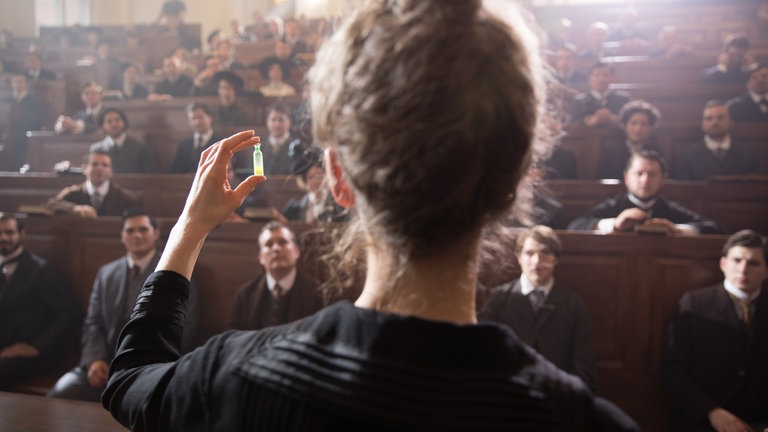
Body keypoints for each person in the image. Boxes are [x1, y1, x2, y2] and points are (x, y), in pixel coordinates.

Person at [103, 2, 638, 430]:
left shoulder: (233, 375)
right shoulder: (581, 419)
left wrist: (190, 227)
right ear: (519, 179)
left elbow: (130, 379)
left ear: (337, 176)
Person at [48, 209, 199, 401]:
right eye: (130, 231)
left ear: (156, 234)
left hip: (151, 367)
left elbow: (188, 329)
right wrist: (95, 360)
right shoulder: (106, 273)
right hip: (105, 364)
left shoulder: (178, 272)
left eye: (143, 230)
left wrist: (145, 366)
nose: (136, 235)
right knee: (59, 394)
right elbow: (93, 323)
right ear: (122, 236)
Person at [662, 229, 768, 431]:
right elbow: (673, 370)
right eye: (736, 260)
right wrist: (711, 412)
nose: (743, 269)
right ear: (723, 264)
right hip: (706, 419)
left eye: (753, 263)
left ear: (766, 270)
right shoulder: (693, 304)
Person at [479, 226, 596, 391]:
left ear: (556, 259)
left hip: (556, 394)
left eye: (545, 253)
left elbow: (583, 365)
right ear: (519, 258)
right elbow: (486, 357)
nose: (536, 261)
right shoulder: (497, 300)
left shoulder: (574, 305)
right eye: (529, 253)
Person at [0, 213, 81, 390]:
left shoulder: (42, 270)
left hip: (31, 352)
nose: (3, 237)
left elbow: (68, 314)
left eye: (9, 232)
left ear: (22, 235)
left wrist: (37, 347)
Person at [568, 150, 723, 235]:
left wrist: (677, 230)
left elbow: (714, 228)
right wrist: (615, 224)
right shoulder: (614, 205)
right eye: (639, 173)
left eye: (652, 174)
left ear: (663, 179)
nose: (645, 180)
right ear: (627, 178)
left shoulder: (668, 208)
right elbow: (575, 226)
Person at [227, 221, 323, 331]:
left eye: (282, 242)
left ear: (296, 252)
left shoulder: (317, 293)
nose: (276, 248)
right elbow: (230, 337)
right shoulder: (245, 295)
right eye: (269, 244)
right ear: (261, 257)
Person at [674, 100, 761, 180]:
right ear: (703, 124)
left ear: (731, 122)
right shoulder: (687, 155)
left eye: (721, 118)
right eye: (709, 118)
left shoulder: (748, 154)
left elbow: (755, 189)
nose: (715, 122)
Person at [47, 149, 140, 218]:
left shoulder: (125, 197)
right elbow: (51, 204)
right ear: (84, 169)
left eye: (105, 165)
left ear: (111, 171)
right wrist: (74, 208)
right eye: (94, 164)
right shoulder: (73, 192)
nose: (100, 169)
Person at [596, 100, 665, 179]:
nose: (638, 128)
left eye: (643, 124)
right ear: (625, 125)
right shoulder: (611, 150)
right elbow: (602, 178)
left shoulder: (656, 150)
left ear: (650, 127)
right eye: (633, 123)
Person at [282, 153, 350, 223]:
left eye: (320, 177)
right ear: (304, 182)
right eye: (311, 177)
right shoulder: (293, 209)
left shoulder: (339, 207)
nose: (316, 181)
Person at [89, 108, 157, 173]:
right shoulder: (96, 148)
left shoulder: (140, 148)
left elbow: (151, 175)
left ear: (124, 123)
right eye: (109, 121)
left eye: (117, 120)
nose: (114, 124)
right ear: (103, 126)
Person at [4, 73, 48, 171]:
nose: (18, 85)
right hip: (8, 142)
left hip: (24, 143)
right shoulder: (7, 101)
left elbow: (35, 122)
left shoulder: (35, 102)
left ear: (26, 84)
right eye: (15, 82)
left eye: (20, 82)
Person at [170, 102, 226, 174]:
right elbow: (175, 173)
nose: (197, 122)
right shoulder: (184, 146)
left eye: (200, 117)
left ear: (210, 118)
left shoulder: (221, 143)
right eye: (193, 118)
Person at [261, 103, 306, 175]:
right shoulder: (259, 148)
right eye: (273, 120)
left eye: (281, 120)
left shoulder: (299, 147)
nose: (277, 124)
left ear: (289, 122)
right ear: (267, 122)